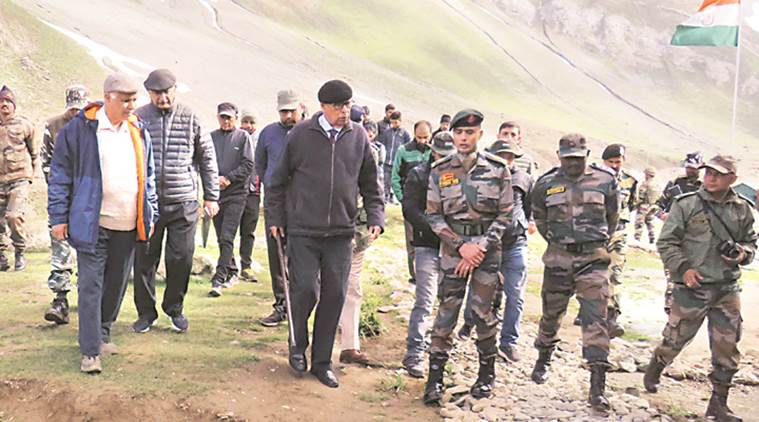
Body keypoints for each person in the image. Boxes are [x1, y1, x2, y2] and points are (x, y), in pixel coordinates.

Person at [267, 80, 384, 388]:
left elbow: (371, 183)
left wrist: (376, 216)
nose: (345, 111)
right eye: (338, 107)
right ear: (323, 107)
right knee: (305, 290)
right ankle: (297, 344)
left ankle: (322, 362)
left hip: (341, 233)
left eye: (348, 105)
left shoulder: (358, 136)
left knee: (334, 295)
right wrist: (277, 217)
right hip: (303, 229)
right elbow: (276, 181)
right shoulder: (301, 135)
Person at [48, 73, 158, 374]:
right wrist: (58, 217)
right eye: (126, 100)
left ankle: (103, 332)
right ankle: (90, 351)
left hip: (128, 223)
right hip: (92, 222)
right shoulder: (80, 131)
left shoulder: (138, 130)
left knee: (116, 283)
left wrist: (152, 211)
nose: (132, 106)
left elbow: (148, 176)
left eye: (134, 100)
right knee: (90, 285)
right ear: (108, 97)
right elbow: (59, 176)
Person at [644, 155, 756, 422]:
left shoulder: (743, 209)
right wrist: (683, 269)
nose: (710, 178)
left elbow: (751, 245)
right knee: (675, 340)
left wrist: (741, 254)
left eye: (718, 174)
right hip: (692, 287)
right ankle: (656, 366)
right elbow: (666, 242)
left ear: (733, 179)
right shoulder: (687, 204)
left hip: (726, 289)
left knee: (727, 348)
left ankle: (718, 405)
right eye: (708, 173)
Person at [423, 110, 514, 405]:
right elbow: (434, 216)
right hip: (453, 250)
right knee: (447, 310)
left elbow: (505, 215)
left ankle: (486, 376)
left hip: (488, 251)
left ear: (480, 136)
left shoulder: (498, 169)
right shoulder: (440, 170)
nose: (463, 138)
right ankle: (434, 379)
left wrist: (480, 248)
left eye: (470, 133)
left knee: (483, 312)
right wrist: (461, 246)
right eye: (459, 133)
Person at [530, 133, 619, 414]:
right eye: (568, 159)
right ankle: (544, 356)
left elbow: (612, 218)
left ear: (587, 155)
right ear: (559, 156)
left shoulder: (605, 181)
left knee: (596, 319)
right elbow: (540, 219)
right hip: (558, 258)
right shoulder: (545, 184)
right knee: (551, 314)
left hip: (593, 259)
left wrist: (592, 242)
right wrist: (560, 242)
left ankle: (597, 387)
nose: (573, 164)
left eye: (578, 159)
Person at [132, 69, 219, 333]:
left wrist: (212, 195)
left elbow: (207, 158)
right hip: (149, 203)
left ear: (174, 90)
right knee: (145, 259)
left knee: (181, 258)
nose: (162, 97)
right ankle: (146, 313)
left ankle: (174, 309)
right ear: (149, 93)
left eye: (166, 91)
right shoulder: (138, 118)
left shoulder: (191, 117)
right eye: (156, 93)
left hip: (184, 201)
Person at [401, 131, 455, 378]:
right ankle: (414, 353)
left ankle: (439, 351)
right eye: (439, 154)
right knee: (424, 301)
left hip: (454, 248)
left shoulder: (461, 177)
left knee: (449, 303)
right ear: (432, 151)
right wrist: (437, 228)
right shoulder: (418, 174)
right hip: (427, 245)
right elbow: (410, 209)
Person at [337, 119, 386, 365]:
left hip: (357, 233)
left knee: (352, 286)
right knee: (321, 286)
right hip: (326, 232)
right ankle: (311, 341)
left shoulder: (369, 153)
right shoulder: (327, 147)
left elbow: (374, 187)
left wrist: (376, 218)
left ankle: (350, 346)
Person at [255, 89, 305, 326]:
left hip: (305, 205)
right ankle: (281, 306)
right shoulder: (268, 133)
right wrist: (273, 189)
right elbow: (261, 166)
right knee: (277, 256)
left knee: (302, 256)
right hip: (276, 204)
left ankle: (302, 307)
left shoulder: (309, 133)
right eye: (283, 112)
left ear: (301, 108)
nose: (287, 116)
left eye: (291, 111)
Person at [41, 85, 90, 325]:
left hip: (87, 201)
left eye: (79, 108)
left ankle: (88, 297)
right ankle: (60, 300)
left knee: (87, 250)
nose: (75, 113)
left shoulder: (95, 125)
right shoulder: (52, 126)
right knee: (60, 249)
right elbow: (46, 163)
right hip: (61, 199)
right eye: (72, 108)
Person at [488, 139, 534, 363]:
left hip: (516, 244)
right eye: (501, 156)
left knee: (515, 296)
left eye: (510, 156)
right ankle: (477, 334)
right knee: (481, 294)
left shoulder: (524, 179)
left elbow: (529, 207)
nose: (506, 160)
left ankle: (509, 342)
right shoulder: (484, 177)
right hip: (489, 245)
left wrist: (524, 225)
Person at [208, 102, 254, 297]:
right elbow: (205, 161)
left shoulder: (243, 137)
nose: (226, 121)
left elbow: (248, 164)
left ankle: (218, 278)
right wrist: (212, 181)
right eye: (222, 117)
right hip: (216, 194)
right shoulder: (212, 137)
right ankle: (232, 271)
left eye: (229, 117)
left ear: (236, 118)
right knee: (221, 237)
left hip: (236, 193)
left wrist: (229, 178)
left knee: (227, 235)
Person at [655, 152, 703, 314]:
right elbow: (656, 206)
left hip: (696, 241)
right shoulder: (676, 184)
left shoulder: (704, 188)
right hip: (674, 238)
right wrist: (664, 215)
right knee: (672, 275)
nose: (691, 171)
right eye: (688, 167)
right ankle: (671, 308)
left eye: (694, 168)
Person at [597, 144, 637, 338]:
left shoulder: (630, 181)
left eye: (618, 162)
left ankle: (612, 317)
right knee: (592, 274)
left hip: (618, 233)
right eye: (610, 162)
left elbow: (631, 205)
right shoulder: (593, 178)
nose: (614, 166)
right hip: (596, 232)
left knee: (615, 273)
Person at [0, 85, 37, 272]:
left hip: (19, 178)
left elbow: (34, 153)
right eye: (1, 101)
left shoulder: (25, 125)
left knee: (13, 216)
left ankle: (20, 252)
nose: (4, 104)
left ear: (14, 105)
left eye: (8, 101)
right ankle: (1, 257)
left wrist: (31, 176)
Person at [392, 120, 433, 284]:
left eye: (426, 137)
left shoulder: (434, 152)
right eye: (419, 137)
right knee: (412, 242)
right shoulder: (403, 151)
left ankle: (428, 276)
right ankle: (415, 276)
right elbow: (395, 177)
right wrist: (404, 201)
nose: (422, 141)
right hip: (411, 206)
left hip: (431, 206)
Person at [235, 109, 262, 282]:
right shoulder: (235, 139)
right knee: (228, 231)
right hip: (235, 191)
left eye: (252, 122)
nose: (249, 126)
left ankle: (246, 266)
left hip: (254, 191)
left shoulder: (260, 141)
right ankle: (227, 267)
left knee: (248, 231)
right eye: (246, 121)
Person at [378, 111, 410, 203]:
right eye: (392, 122)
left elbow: (407, 148)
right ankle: (385, 199)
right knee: (385, 182)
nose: (394, 125)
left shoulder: (405, 134)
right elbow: (382, 145)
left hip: (398, 164)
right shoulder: (387, 132)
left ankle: (395, 199)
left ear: (400, 121)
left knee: (395, 183)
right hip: (387, 162)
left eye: (395, 122)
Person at [634, 167, 660, 244]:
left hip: (644, 206)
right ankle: (652, 238)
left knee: (639, 223)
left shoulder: (645, 184)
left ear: (647, 175)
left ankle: (637, 239)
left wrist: (635, 205)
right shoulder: (657, 185)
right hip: (653, 206)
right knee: (650, 223)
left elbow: (641, 196)